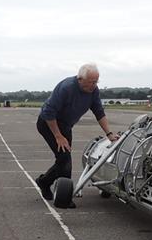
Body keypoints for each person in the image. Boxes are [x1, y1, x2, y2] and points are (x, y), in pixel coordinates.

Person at [35, 63, 118, 207]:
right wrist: (58, 136)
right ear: (80, 79)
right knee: (65, 159)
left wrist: (109, 134)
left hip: (66, 126)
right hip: (49, 123)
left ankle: (44, 182)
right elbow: (49, 112)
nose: (94, 85)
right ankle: (64, 198)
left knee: (63, 160)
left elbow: (99, 112)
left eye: (96, 81)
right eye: (91, 82)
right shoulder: (66, 87)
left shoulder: (93, 91)